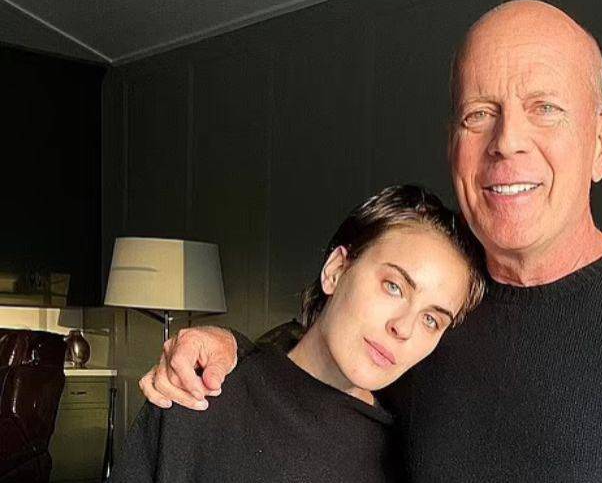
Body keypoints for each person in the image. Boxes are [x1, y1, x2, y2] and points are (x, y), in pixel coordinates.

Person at [138, 0, 602, 481]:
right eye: (480, 113)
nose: (507, 141)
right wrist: (222, 346)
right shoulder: (436, 317)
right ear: (453, 145)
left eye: (545, 108)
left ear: (600, 143)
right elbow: (311, 368)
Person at [111, 185, 485, 482]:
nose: (403, 328)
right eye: (393, 286)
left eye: (431, 320)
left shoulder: (411, 459)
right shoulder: (197, 392)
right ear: (336, 270)